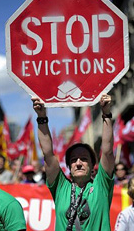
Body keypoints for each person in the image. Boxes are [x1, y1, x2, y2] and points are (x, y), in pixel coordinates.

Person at [32, 94, 115, 231]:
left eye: (84, 159)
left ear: (93, 165)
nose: (78, 163)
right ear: (69, 167)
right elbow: (48, 153)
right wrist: (41, 117)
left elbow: (107, 151)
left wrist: (106, 114)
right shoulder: (60, 187)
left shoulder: (102, 186)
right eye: (73, 160)